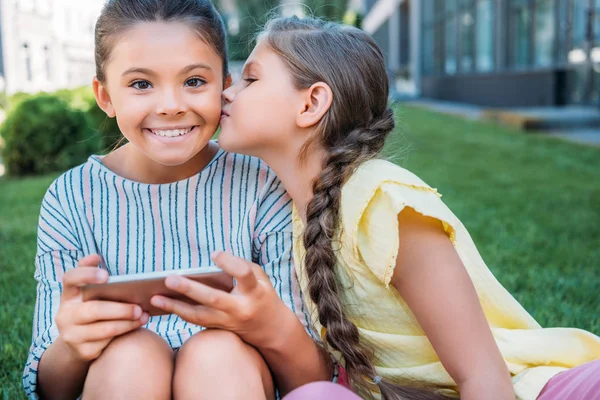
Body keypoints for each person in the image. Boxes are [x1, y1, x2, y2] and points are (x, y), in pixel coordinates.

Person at [214, 16, 600, 400]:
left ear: (311, 103)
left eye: (250, 79)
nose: (227, 92)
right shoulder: (299, 219)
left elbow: (483, 375)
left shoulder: (381, 201)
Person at [23, 3, 332, 399]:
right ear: (105, 96)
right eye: (140, 84)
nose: (170, 105)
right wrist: (72, 344)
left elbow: (314, 385)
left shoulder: (261, 184)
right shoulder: (71, 199)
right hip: (119, 379)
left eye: (194, 81)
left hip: (229, 377)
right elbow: (49, 387)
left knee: (215, 353)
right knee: (131, 353)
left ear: (225, 85)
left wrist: (270, 324)